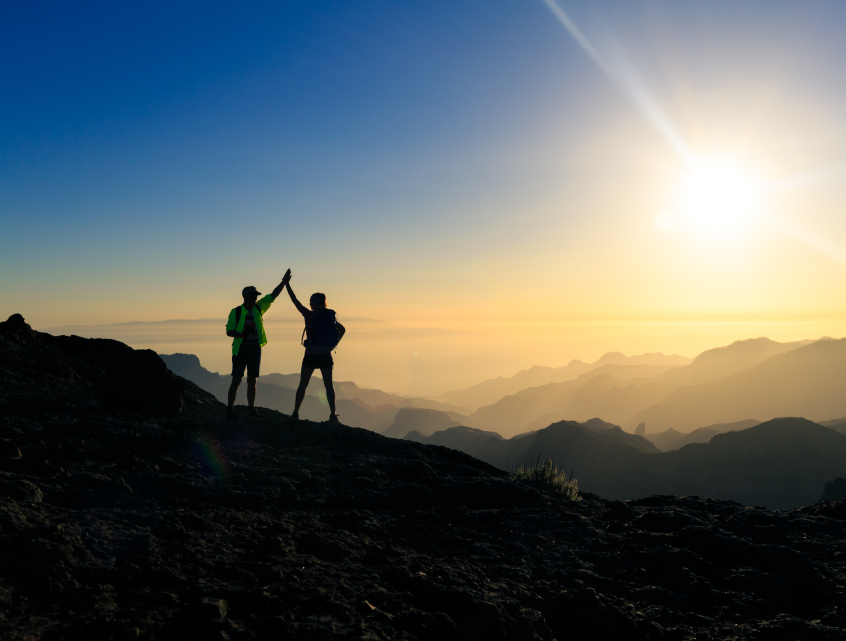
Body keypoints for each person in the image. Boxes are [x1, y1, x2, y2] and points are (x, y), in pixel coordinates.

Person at [224, 269, 291, 420]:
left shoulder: (258, 307)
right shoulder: (236, 312)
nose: (256, 297)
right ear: (245, 296)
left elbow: (273, 295)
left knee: (252, 379)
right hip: (241, 349)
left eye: (256, 295)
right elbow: (229, 331)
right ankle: (229, 410)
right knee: (237, 379)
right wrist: (241, 334)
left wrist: (284, 282)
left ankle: (250, 409)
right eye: (253, 295)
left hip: (254, 347)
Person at [285, 276, 345, 422]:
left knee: (303, 385)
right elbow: (342, 329)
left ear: (313, 303)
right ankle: (333, 414)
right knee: (329, 386)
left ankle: (295, 412)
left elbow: (295, 301)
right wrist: (332, 345)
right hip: (325, 354)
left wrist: (287, 284)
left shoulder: (309, 315)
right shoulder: (330, 316)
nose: (310, 304)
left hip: (311, 354)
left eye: (311, 302)